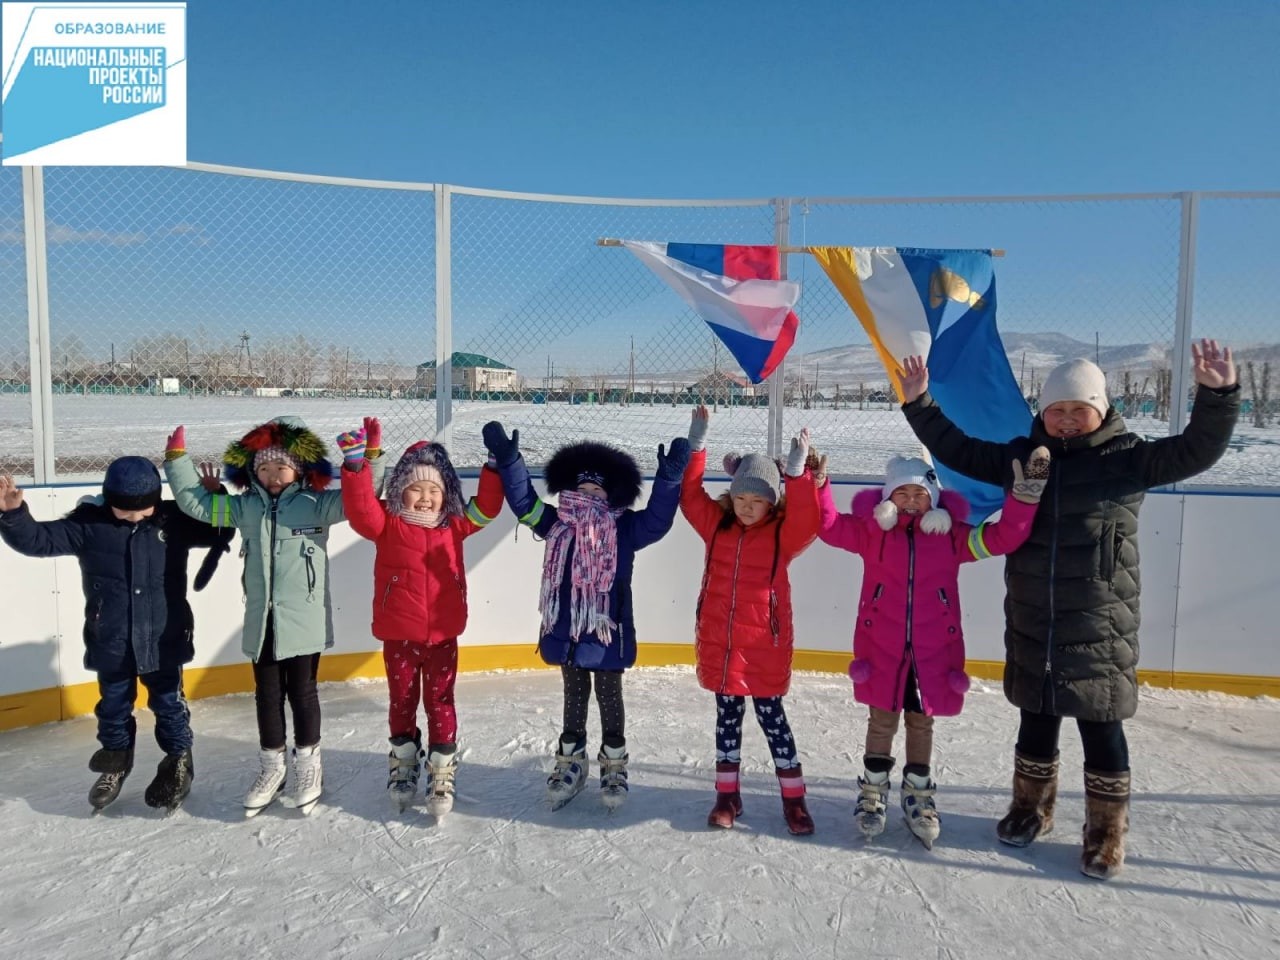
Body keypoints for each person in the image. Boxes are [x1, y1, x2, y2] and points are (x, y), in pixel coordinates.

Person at [898, 340, 1240, 878]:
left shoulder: (1126, 459)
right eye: (1056, 410)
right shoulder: (1021, 460)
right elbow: (958, 448)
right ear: (1043, 413)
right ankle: (1031, 809)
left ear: (1100, 411)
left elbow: (1196, 450)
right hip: (1035, 617)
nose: (1066, 420)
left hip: (1100, 622)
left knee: (1101, 726)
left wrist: (1218, 397)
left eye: (1079, 410)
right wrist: (919, 404)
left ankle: (1106, 833)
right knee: (1036, 717)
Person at [815, 449, 1048, 847]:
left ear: (934, 500)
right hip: (882, 646)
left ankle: (918, 792)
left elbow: (1003, 537)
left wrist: (1022, 500)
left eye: (919, 494)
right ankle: (873, 791)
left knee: (922, 720)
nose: (910, 501)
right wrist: (818, 487)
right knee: (882, 719)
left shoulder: (952, 538)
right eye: (902, 493)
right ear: (888, 498)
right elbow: (829, 526)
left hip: (933, 650)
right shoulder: (873, 532)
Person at [163, 416, 385, 817]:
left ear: (300, 468)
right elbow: (196, 504)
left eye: (281, 466)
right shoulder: (246, 508)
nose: (272, 474)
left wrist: (365, 459)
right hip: (261, 622)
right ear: (252, 470)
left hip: (305, 621)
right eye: (263, 467)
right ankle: (272, 766)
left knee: (302, 694)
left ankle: (308, 765)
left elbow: (363, 499)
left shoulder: (319, 505)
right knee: (266, 696)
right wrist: (177, 460)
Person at [0, 457, 231, 812]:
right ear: (108, 500)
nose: (136, 516)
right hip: (111, 637)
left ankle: (178, 760)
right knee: (112, 707)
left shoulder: (174, 520)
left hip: (163, 636)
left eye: (143, 509)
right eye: (124, 510)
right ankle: (116, 761)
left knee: (169, 703)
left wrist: (213, 498)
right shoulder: (89, 525)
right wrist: (14, 514)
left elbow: (221, 530)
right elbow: (39, 541)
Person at [482, 420, 688, 811]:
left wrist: (669, 478)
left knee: (610, 697)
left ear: (611, 494)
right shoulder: (558, 523)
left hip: (606, 630)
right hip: (567, 629)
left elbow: (658, 520)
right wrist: (510, 461)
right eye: (582, 488)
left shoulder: (624, 527)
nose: (588, 494)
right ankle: (572, 760)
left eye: (597, 489)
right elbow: (524, 503)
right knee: (574, 694)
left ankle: (613, 764)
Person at [339, 430, 503, 815]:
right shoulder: (388, 525)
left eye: (435, 489)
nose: (426, 497)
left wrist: (494, 467)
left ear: (447, 494)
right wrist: (355, 465)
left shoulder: (455, 525)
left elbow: (489, 509)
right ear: (400, 491)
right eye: (416, 489)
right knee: (402, 700)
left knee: (441, 701)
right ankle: (404, 759)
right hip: (400, 636)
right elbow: (361, 509)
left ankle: (442, 766)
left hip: (443, 635)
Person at [678, 404, 821, 835]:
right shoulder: (717, 526)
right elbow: (689, 496)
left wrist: (796, 475)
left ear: (771, 503)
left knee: (773, 721)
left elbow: (809, 519)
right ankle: (727, 796)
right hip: (722, 645)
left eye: (756, 501)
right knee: (727, 721)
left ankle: (794, 801)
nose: (745, 507)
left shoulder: (782, 536)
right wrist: (696, 443)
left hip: (764, 646)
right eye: (740, 498)